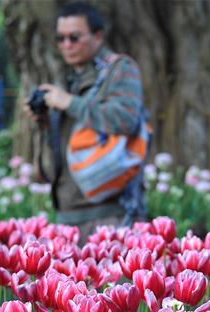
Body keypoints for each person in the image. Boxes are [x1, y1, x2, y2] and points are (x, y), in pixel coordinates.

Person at [27, 1, 146, 240]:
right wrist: (44, 121)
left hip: (110, 213)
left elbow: (125, 120)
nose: (66, 45)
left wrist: (69, 103)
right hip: (67, 211)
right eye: (60, 39)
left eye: (74, 37)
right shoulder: (68, 77)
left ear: (98, 36)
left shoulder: (121, 69)